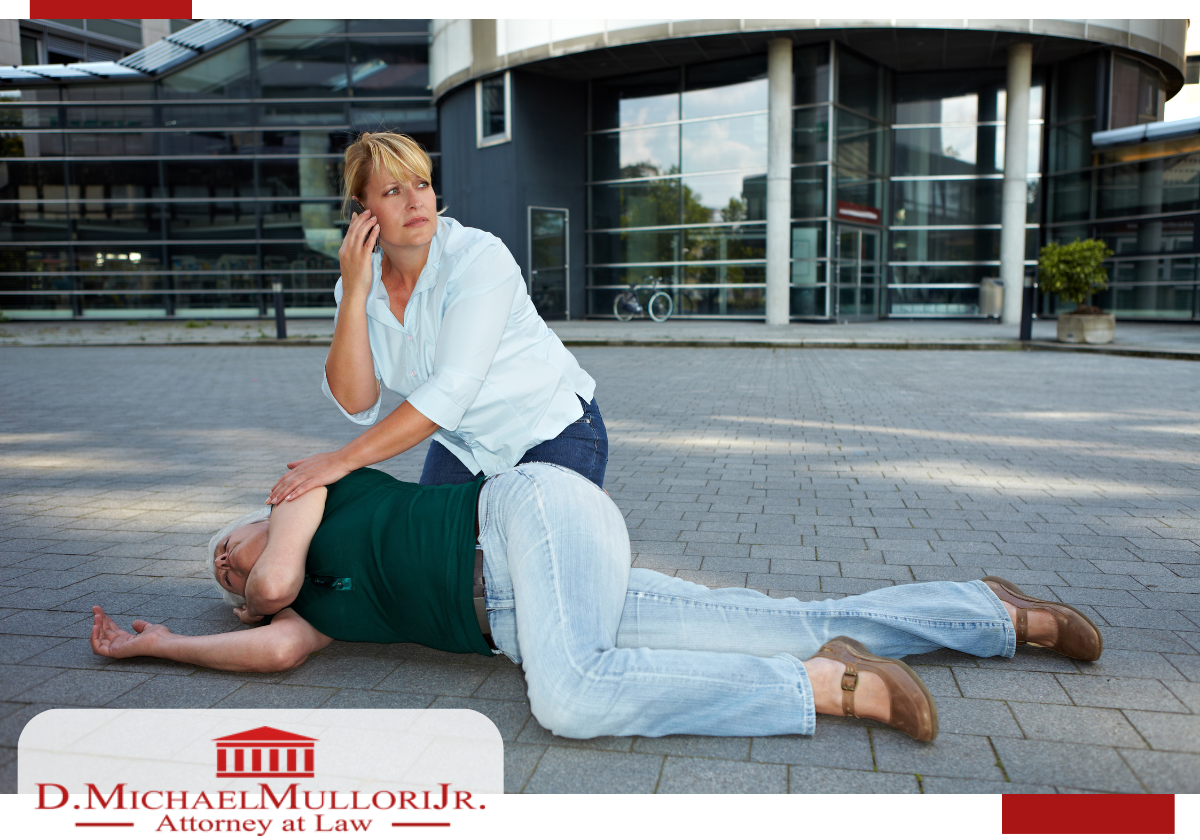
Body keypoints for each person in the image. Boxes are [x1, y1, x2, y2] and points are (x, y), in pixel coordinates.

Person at [91, 464, 1103, 742]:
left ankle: (831, 692)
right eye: (219, 577)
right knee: (791, 611)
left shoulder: (308, 489)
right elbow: (273, 651)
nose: (229, 572)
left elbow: (269, 584)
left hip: (531, 518)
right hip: (549, 599)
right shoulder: (314, 617)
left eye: (220, 551)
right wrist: (161, 647)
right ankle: (994, 614)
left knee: (567, 700)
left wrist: (251, 585)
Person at [264, 132, 604, 508]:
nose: (414, 202)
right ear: (363, 206)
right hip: (463, 444)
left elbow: (451, 388)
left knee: (523, 553)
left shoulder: (477, 257)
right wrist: (354, 295)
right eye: (393, 190)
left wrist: (341, 460)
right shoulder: (359, 281)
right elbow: (357, 402)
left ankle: (585, 514)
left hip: (548, 428)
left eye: (421, 184)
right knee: (432, 558)